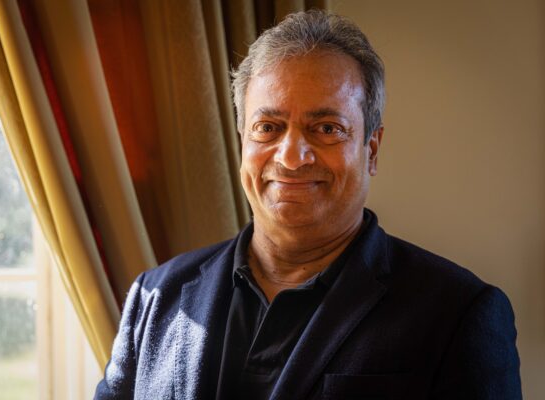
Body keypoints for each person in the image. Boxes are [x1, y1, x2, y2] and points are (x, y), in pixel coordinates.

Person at [95, 10, 521, 399]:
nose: (291, 157)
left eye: (327, 128)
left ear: (371, 150)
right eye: (268, 127)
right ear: (243, 142)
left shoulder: (458, 313)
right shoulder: (155, 296)